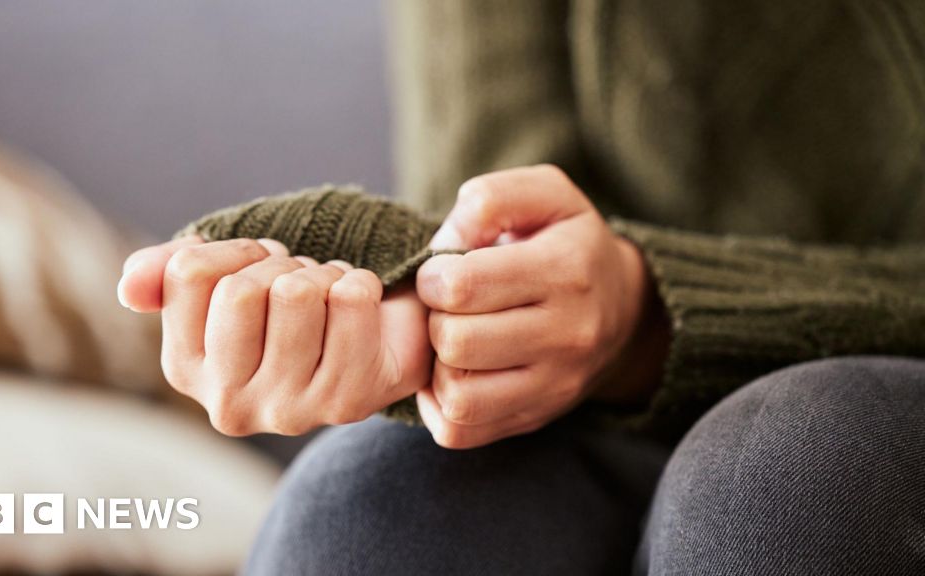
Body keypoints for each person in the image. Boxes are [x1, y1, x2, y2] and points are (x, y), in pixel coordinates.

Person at [118, 1, 925, 574]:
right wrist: (446, 316)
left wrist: (642, 313)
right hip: (602, 408)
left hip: (832, 395)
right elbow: (488, 201)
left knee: (797, 477)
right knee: (369, 504)